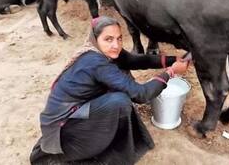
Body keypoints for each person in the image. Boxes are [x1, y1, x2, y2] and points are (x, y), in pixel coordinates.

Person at [30, 16, 190, 164]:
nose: (116, 45)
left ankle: (103, 137)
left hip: (75, 113)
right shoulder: (96, 62)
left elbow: (136, 60)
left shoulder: (101, 52)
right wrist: (171, 72)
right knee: (119, 101)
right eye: (108, 39)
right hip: (64, 130)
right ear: (95, 39)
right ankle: (81, 149)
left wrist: (172, 60)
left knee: (119, 92)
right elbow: (141, 94)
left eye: (119, 39)